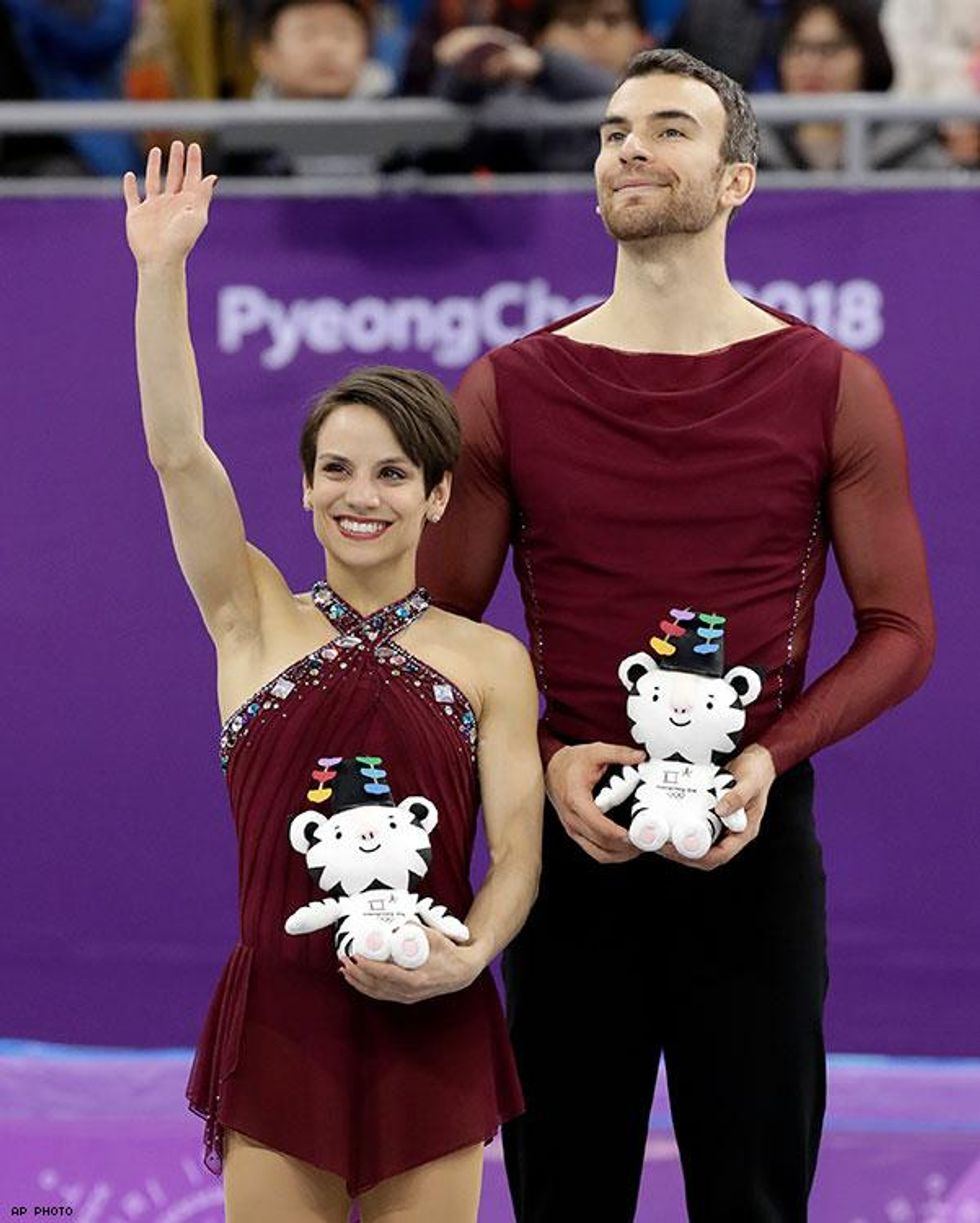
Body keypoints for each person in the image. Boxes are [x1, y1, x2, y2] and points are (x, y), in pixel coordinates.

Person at [417, 46, 935, 1222]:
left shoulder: (828, 382)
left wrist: (764, 756)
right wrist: (544, 761)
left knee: (753, 1201)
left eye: (666, 128)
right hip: (567, 854)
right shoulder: (508, 386)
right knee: (564, 1197)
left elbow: (901, 631)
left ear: (736, 178)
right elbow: (435, 632)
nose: (629, 149)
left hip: (750, 850)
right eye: (610, 131)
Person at [122, 139, 542, 1223]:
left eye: (394, 472)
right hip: (283, 1020)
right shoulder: (248, 612)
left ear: (438, 497)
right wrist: (160, 271)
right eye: (337, 470)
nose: (363, 495)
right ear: (305, 490)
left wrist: (469, 959)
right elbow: (179, 453)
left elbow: (517, 858)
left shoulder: (490, 659)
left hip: (433, 1018)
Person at [760, 0, 953, 172]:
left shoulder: (915, 160)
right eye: (797, 48)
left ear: (867, 58)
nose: (810, 64)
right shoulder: (748, 160)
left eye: (830, 49)